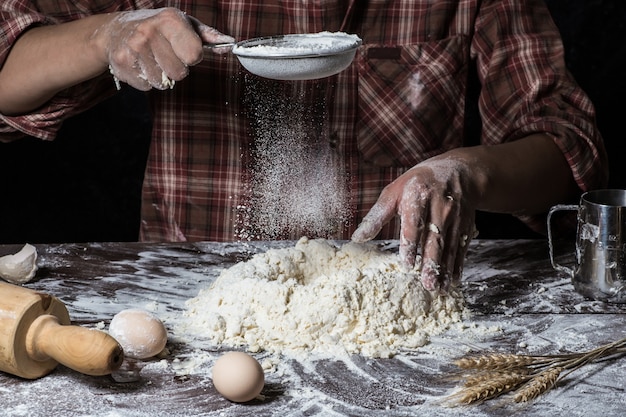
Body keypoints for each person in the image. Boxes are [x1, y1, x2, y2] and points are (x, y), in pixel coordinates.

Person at [0, 1, 608, 293]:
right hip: (198, 299)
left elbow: (568, 148)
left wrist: (465, 172)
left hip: (395, 295)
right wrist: (106, 36)